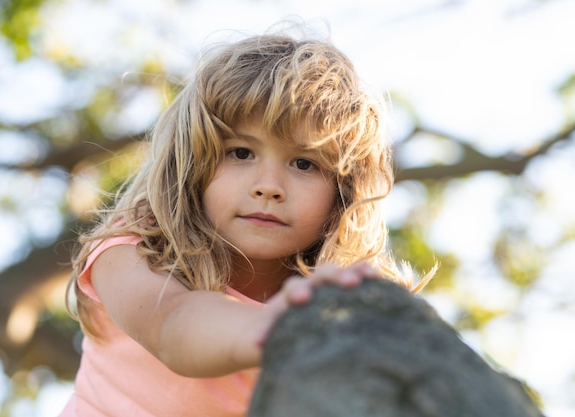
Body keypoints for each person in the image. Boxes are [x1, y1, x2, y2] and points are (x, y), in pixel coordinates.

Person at [61, 27, 434, 417]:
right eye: (241, 153)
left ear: (343, 192)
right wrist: (281, 326)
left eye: (303, 163)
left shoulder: (347, 317)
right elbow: (172, 328)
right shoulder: (134, 249)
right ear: (193, 164)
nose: (269, 187)